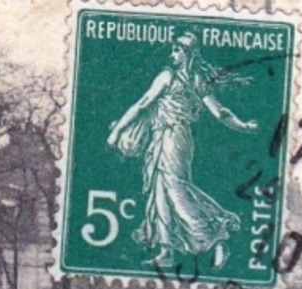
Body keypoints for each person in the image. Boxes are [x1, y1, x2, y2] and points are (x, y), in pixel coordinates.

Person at [106, 32, 256, 270]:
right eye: (173, 50)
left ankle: (215, 237)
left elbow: (144, 103)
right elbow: (220, 112)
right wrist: (243, 126)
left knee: (175, 189)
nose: (172, 54)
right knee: (160, 191)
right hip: (166, 137)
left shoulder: (169, 76)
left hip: (172, 137)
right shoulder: (196, 80)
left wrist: (117, 131)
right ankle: (166, 251)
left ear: (188, 54)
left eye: (177, 50)